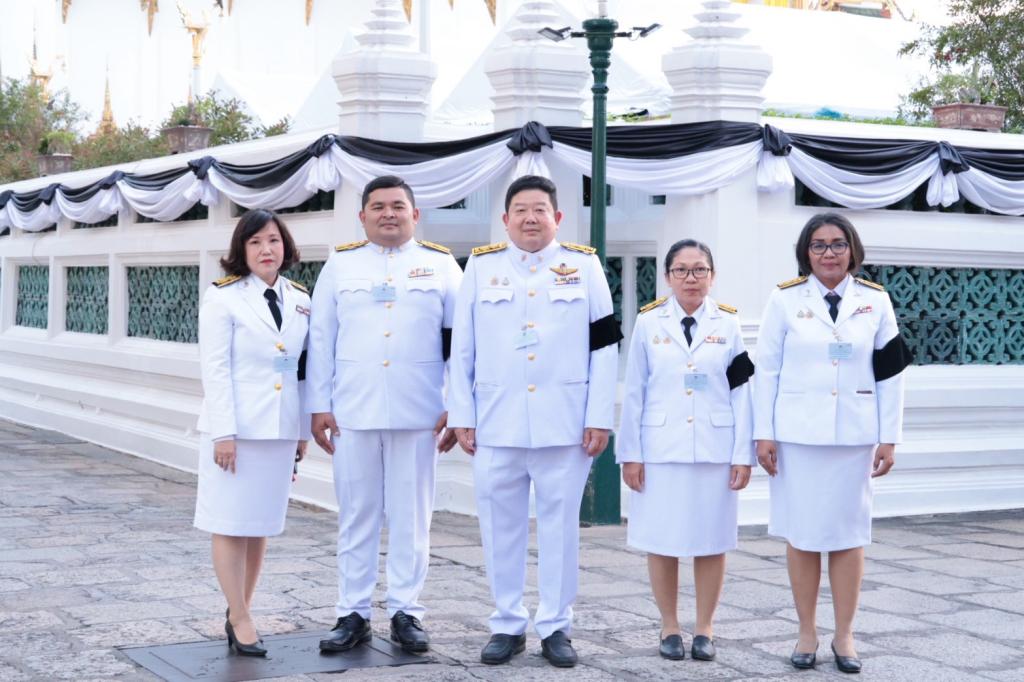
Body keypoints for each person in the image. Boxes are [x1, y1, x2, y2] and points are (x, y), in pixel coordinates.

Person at [448, 174, 621, 669]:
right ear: (505, 220)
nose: (529, 218)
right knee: (499, 527)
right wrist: (462, 413)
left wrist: (598, 416)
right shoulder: (480, 268)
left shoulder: (583, 266)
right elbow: (463, 348)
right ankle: (506, 622)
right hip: (497, 421)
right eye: (520, 210)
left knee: (560, 527)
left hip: (564, 424)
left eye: (539, 209)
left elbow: (605, 349)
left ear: (557, 218)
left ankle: (555, 625)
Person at [307, 175, 462, 655]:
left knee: (413, 517)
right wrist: (318, 404)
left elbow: (462, 342)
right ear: (363, 216)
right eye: (378, 206)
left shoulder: (440, 265)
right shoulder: (341, 264)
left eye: (398, 206)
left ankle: (406, 611)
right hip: (354, 408)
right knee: (357, 515)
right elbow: (321, 339)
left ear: (416, 215)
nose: (388, 213)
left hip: (421, 411)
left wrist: (457, 405)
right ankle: (351, 612)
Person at [753, 212, 911, 674]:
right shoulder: (784, 300)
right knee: (802, 537)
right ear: (806, 252)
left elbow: (891, 373)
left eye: (837, 244)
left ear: (852, 250)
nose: (828, 253)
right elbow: (767, 371)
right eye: (818, 245)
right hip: (797, 436)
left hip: (855, 436)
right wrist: (764, 432)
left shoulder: (875, 301)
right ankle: (806, 631)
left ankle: (844, 634)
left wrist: (890, 436)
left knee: (848, 537)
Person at [617, 239, 754, 662]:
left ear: (713, 275)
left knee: (711, 540)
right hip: (661, 447)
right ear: (668, 276)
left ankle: (705, 628)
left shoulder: (729, 324)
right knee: (663, 539)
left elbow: (742, 392)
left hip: (714, 447)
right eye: (681, 270)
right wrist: (630, 454)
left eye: (699, 270)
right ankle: (670, 626)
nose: (691, 279)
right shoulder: (648, 322)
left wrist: (742, 453)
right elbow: (635, 390)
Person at [194, 208, 311, 657]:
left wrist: (301, 431)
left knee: (259, 523)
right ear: (242, 250)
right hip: (237, 431)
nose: (267, 249)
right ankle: (239, 616)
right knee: (229, 521)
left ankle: (242, 606)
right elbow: (215, 368)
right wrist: (224, 432)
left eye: (274, 241)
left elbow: (303, 369)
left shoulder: (300, 297)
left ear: (286, 248)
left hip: (279, 430)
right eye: (257, 241)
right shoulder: (223, 297)